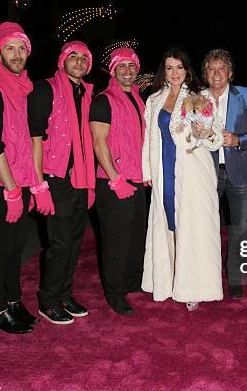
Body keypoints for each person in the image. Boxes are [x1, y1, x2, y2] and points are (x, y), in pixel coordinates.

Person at [0, 22, 49, 334]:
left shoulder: (24, 88)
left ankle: (14, 301)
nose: (17, 54)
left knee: (16, 246)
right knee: (2, 247)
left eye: (21, 48)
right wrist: (11, 190)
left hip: (19, 180)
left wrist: (34, 182)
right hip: (0, 183)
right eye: (10, 48)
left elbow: (28, 139)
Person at [141, 48, 224, 311]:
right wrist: (147, 172)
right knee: (169, 222)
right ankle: (170, 280)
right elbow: (148, 139)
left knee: (192, 226)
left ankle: (193, 286)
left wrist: (206, 131)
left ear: (186, 70)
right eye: (169, 68)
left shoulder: (200, 97)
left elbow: (216, 138)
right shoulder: (154, 100)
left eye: (179, 67)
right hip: (163, 170)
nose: (174, 73)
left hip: (193, 172)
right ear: (163, 71)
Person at [28, 41, 96, 324]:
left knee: (74, 241)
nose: (79, 61)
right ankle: (48, 299)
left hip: (79, 178)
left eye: (84, 57)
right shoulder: (46, 89)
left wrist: (90, 182)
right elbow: (34, 138)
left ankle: (64, 294)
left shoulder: (87, 93)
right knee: (59, 242)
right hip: (55, 178)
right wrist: (39, 184)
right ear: (62, 61)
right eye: (73, 56)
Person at [201, 49, 247, 299]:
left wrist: (239, 139)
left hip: (240, 171)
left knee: (241, 227)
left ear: (230, 72)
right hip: (207, 173)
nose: (216, 74)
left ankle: (235, 277)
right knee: (207, 227)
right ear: (205, 73)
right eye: (211, 69)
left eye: (221, 68)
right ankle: (209, 276)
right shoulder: (197, 98)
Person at [89, 47, 146, 315]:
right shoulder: (104, 99)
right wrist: (115, 179)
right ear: (113, 70)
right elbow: (99, 143)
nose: (127, 70)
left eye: (131, 66)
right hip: (114, 182)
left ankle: (132, 280)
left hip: (137, 181)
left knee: (136, 236)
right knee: (116, 240)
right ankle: (114, 292)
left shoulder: (138, 98)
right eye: (121, 66)